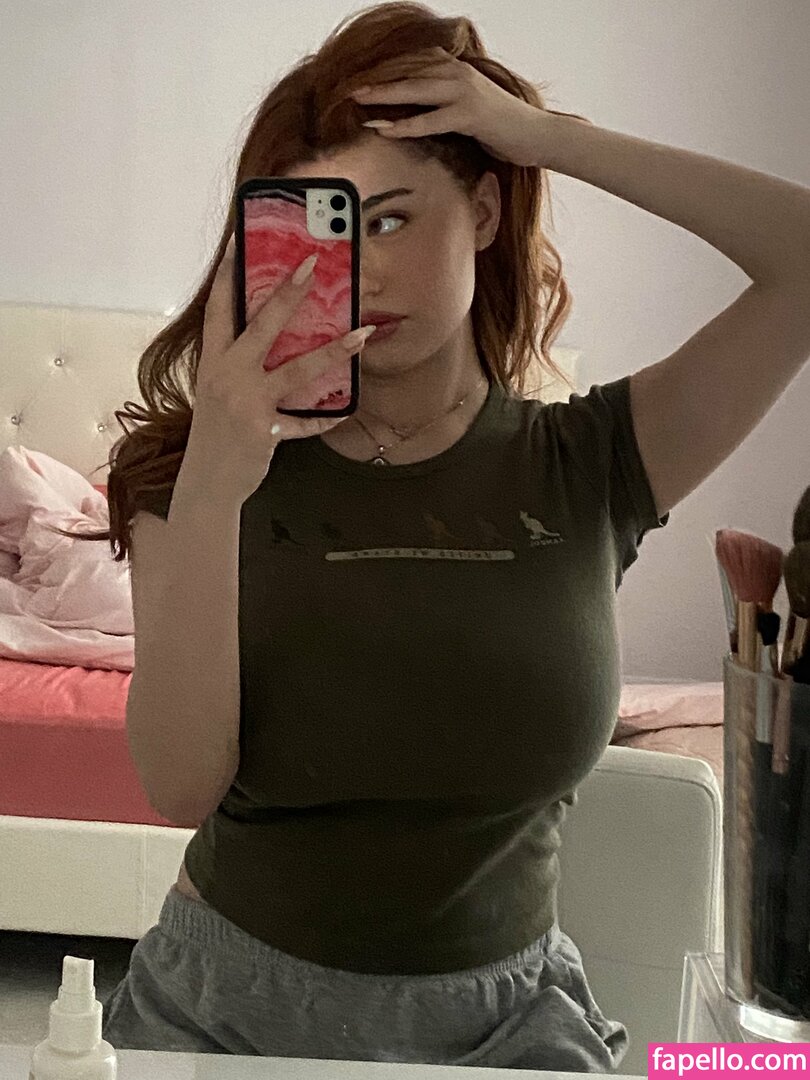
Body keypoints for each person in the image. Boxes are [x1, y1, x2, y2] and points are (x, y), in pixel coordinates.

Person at [66, 3, 672, 1071]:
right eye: (321, 238)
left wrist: (545, 139)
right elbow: (178, 787)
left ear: (483, 208)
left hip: (513, 1032)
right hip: (220, 1016)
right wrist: (214, 484)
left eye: (387, 221)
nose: (362, 274)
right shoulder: (189, 472)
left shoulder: (587, 459)